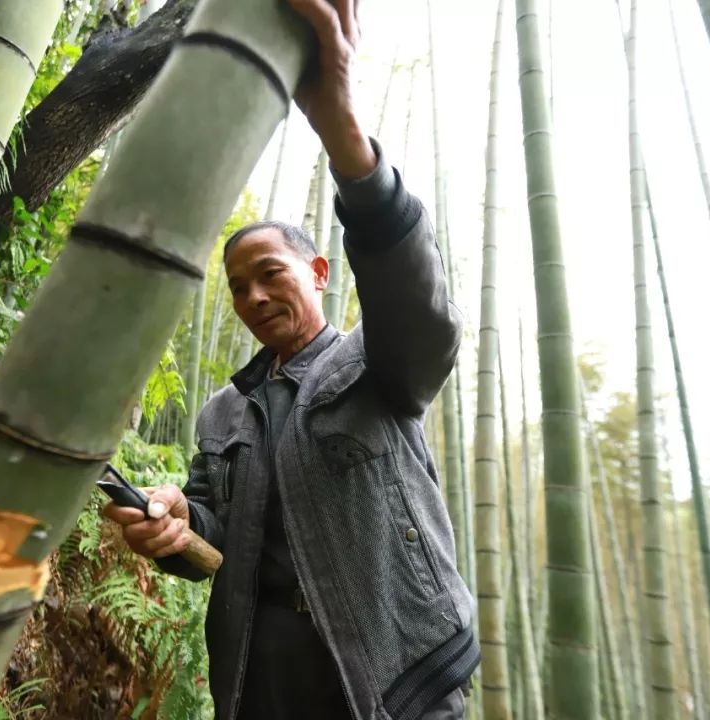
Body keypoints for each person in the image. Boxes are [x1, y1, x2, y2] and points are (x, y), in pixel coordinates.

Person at [102, 1, 478, 717]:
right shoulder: (223, 412)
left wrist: (342, 130)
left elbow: (421, 313)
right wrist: (174, 527)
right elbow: (214, 532)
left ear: (319, 272)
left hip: (393, 671)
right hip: (260, 677)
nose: (252, 296)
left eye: (270, 273)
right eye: (238, 287)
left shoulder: (376, 363)